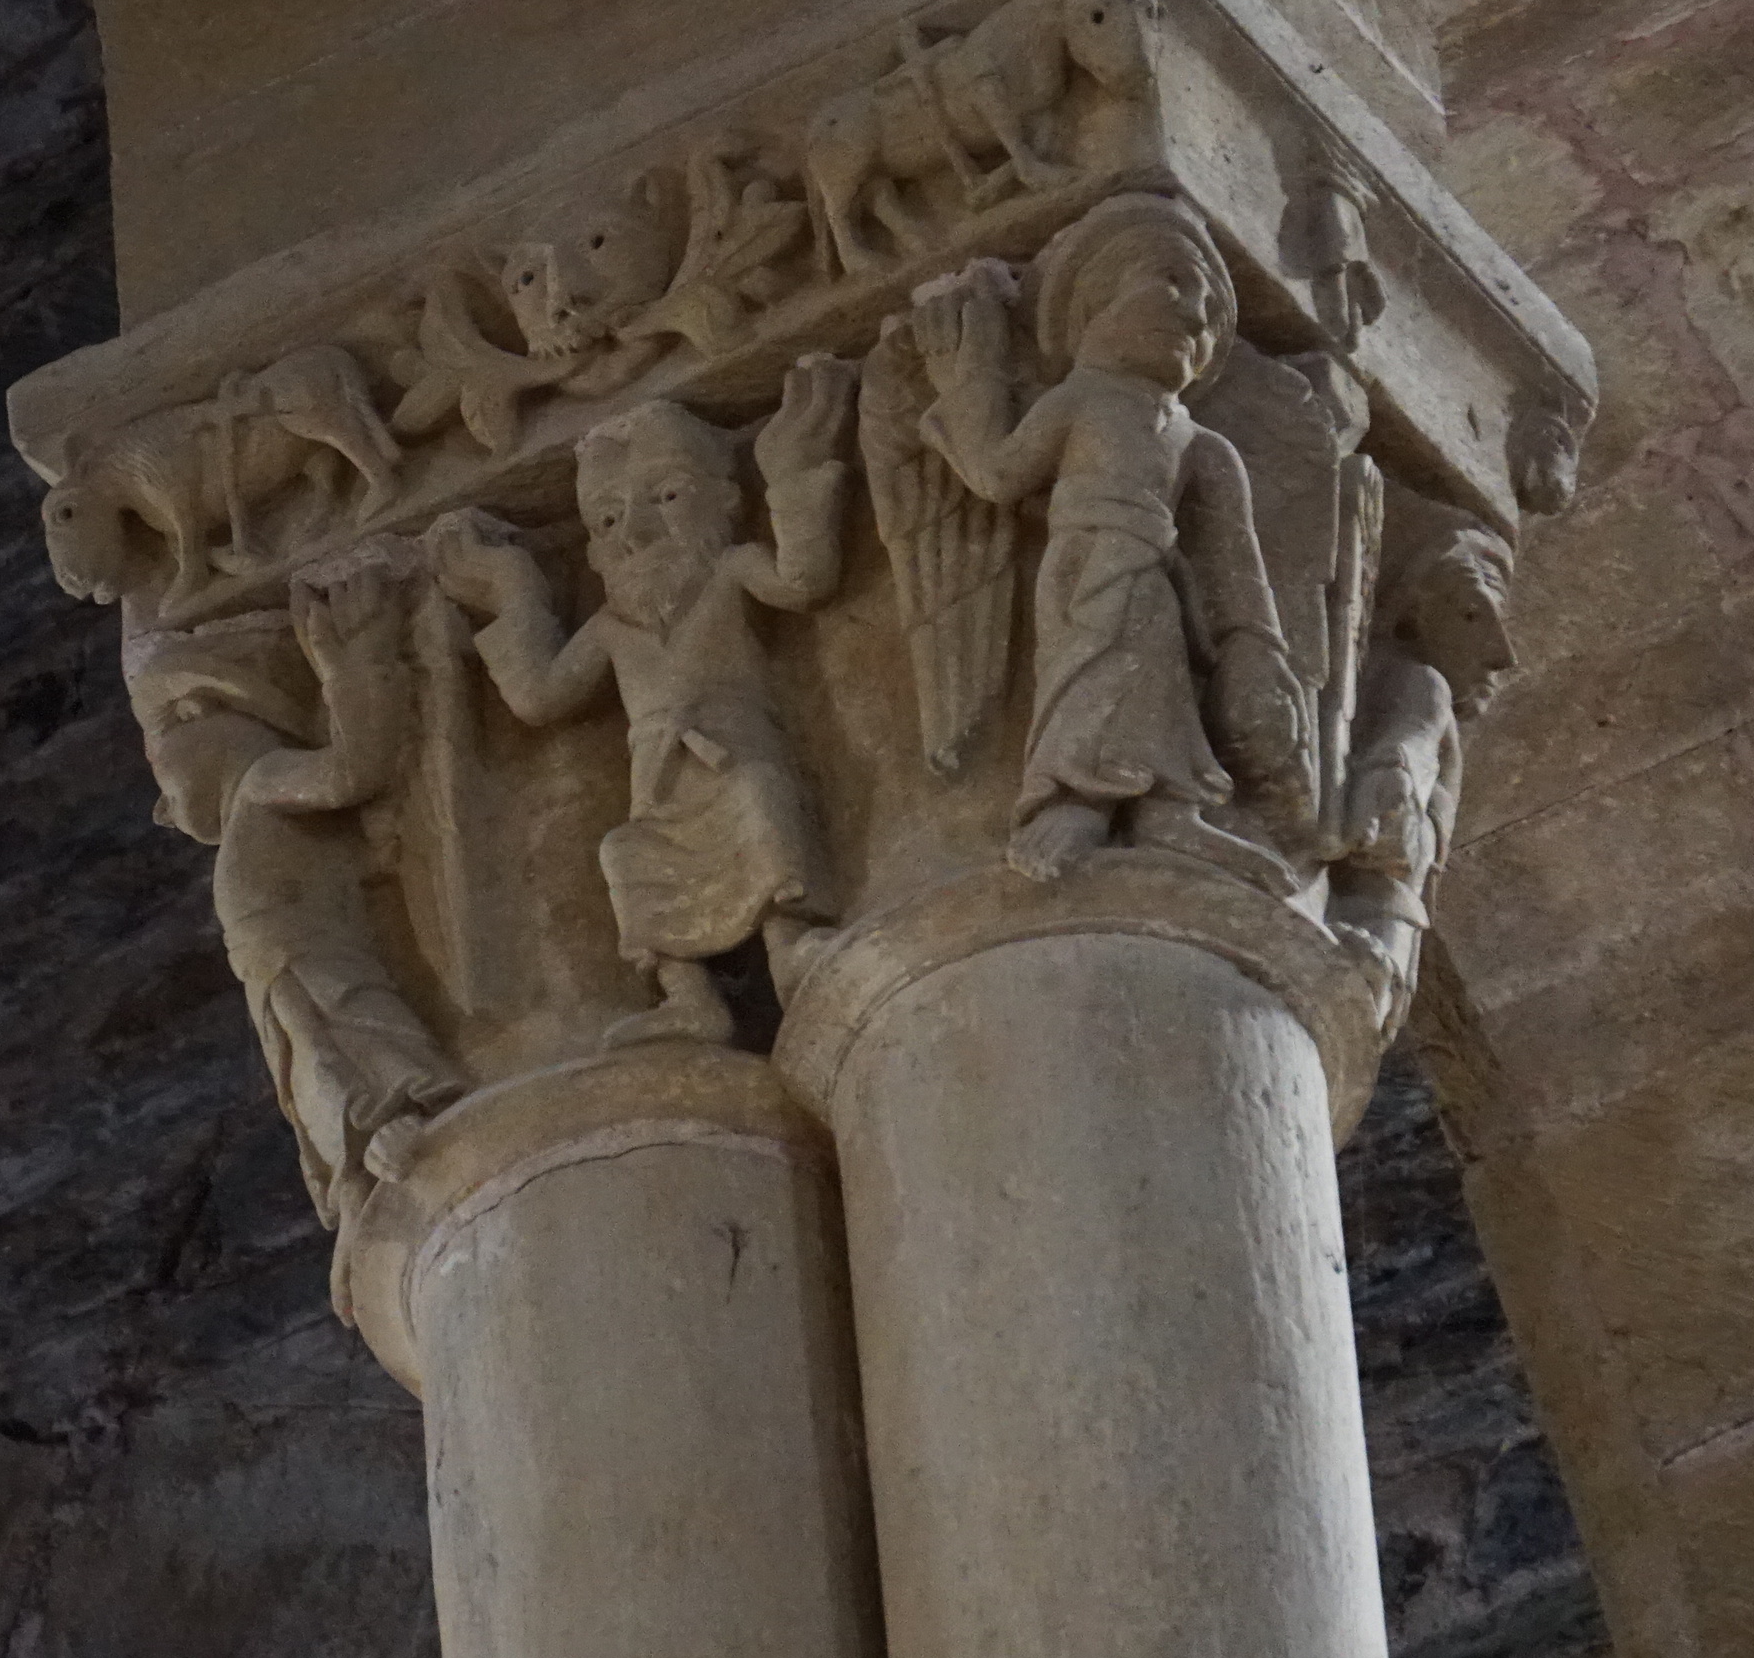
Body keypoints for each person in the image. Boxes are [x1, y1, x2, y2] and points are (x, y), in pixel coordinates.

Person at [428, 357, 857, 1043]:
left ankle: (789, 946)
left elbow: (804, 580)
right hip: (656, 787)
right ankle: (690, 996)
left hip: (731, 752)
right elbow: (539, 696)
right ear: (593, 554)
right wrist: (512, 590)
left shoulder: (731, 570)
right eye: (605, 519)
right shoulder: (611, 628)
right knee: (628, 854)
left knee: (760, 800)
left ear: (724, 500)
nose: (636, 532)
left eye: (666, 496)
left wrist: (793, 467)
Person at [915, 196, 1308, 882]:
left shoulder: (1201, 442)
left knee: (1158, 678)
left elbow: (1236, 559)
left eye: (1212, 313)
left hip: (1154, 575)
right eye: (1172, 282)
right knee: (1087, 672)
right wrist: (970, 376)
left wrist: (1258, 649)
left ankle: (1168, 812)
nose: (1194, 316)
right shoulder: (1079, 398)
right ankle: (1074, 798)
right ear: (1095, 303)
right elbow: (1000, 475)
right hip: (1084, 564)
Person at [126, 559, 461, 1222]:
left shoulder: (265, 779)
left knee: (357, 1029)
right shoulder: (254, 796)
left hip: (316, 962)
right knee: (312, 1069)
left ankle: (411, 1118)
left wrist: (355, 667)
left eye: (164, 776)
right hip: (282, 977)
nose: (164, 811)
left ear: (214, 724)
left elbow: (350, 771)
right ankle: (357, 1171)